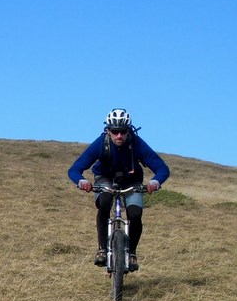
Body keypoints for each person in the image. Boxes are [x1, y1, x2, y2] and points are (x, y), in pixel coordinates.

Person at [68, 108, 170, 271]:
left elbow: (162, 168)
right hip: (105, 178)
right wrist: (81, 181)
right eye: (115, 132)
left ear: (128, 130)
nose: (119, 136)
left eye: (123, 131)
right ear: (108, 130)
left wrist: (155, 182)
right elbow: (74, 169)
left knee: (135, 213)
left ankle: (132, 253)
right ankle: (102, 249)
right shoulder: (100, 144)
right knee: (105, 202)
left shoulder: (136, 143)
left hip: (131, 180)